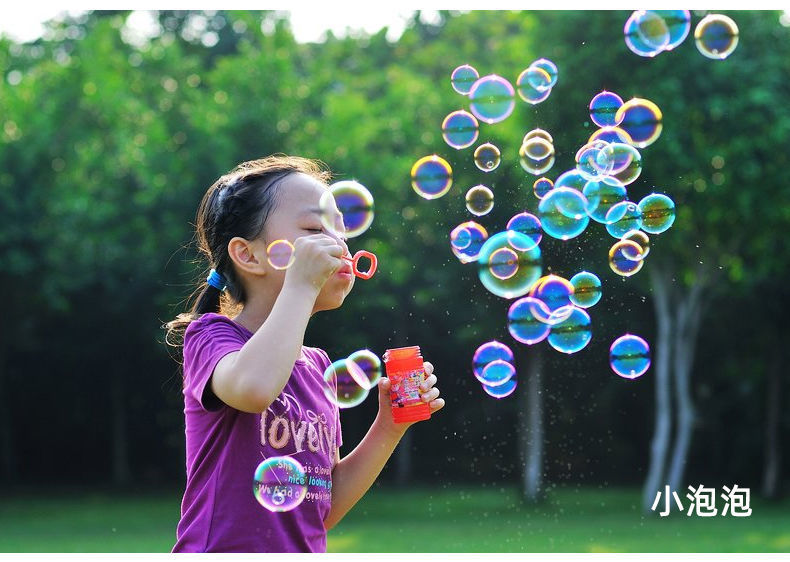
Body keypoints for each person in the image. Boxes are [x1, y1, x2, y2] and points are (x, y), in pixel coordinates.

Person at [164, 155, 445, 553]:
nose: (339, 245)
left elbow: (319, 506)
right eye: (315, 229)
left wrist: (389, 427)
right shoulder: (211, 336)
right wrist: (300, 286)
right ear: (248, 255)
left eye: (342, 233)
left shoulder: (317, 367)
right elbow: (254, 388)